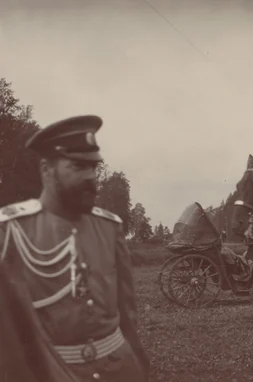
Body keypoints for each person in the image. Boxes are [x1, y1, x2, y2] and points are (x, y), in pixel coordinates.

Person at [0, 115, 151, 381]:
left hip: (119, 369)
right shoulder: (12, 231)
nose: (91, 177)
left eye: (94, 167)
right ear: (46, 169)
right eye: (78, 167)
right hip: (51, 371)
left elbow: (127, 314)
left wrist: (137, 364)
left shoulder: (108, 227)